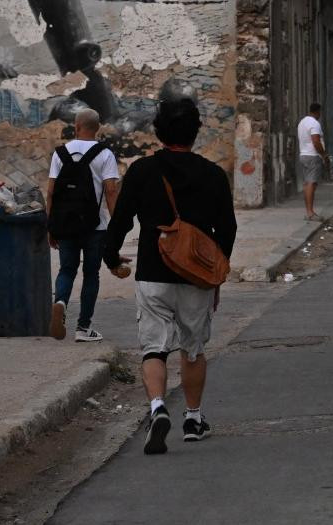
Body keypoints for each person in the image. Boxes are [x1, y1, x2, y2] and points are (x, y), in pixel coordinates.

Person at [103, 98, 237, 455]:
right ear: (195, 132)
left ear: (159, 131)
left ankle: (158, 407)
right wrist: (216, 278)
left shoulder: (142, 171)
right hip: (196, 277)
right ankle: (193, 419)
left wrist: (110, 256)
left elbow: (120, 221)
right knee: (193, 348)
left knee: (154, 347)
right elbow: (227, 230)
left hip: (152, 272)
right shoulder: (212, 175)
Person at [47, 109, 120, 342]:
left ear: (76, 126)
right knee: (91, 274)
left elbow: (50, 192)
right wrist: (116, 226)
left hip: (66, 225)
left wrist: (51, 226)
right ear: (97, 128)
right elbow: (110, 190)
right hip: (95, 227)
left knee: (67, 270)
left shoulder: (60, 153)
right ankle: (83, 328)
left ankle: (60, 301)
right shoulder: (105, 154)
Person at [297, 103, 329, 221]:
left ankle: (308, 211)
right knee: (311, 183)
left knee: (307, 183)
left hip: (303, 154)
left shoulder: (302, 122)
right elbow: (316, 141)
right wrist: (324, 155)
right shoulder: (314, 124)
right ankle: (310, 212)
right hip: (313, 156)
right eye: (320, 112)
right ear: (317, 111)